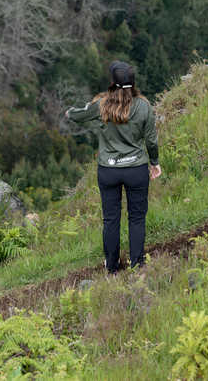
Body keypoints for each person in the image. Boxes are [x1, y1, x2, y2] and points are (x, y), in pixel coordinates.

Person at [66, 61, 161, 273]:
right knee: (136, 218)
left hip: (108, 170)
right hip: (136, 169)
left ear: (112, 83)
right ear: (133, 83)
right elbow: (152, 141)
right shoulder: (144, 107)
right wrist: (154, 162)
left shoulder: (101, 105)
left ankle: (112, 267)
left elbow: (76, 115)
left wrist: (70, 112)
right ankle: (137, 265)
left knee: (110, 219)